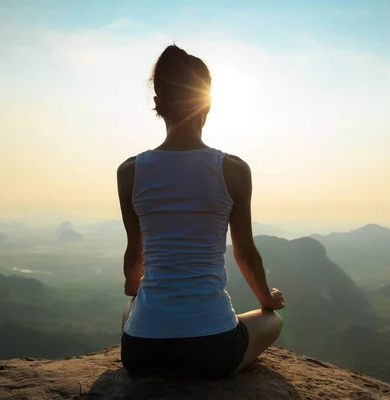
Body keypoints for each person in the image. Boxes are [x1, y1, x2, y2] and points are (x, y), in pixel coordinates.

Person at [117, 44, 285, 379]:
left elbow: (134, 260)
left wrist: (143, 300)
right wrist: (268, 298)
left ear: (157, 105)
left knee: (131, 308)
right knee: (273, 321)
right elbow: (245, 252)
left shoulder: (130, 172)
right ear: (206, 104)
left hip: (141, 353)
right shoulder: (233, 170)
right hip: (213, 349)